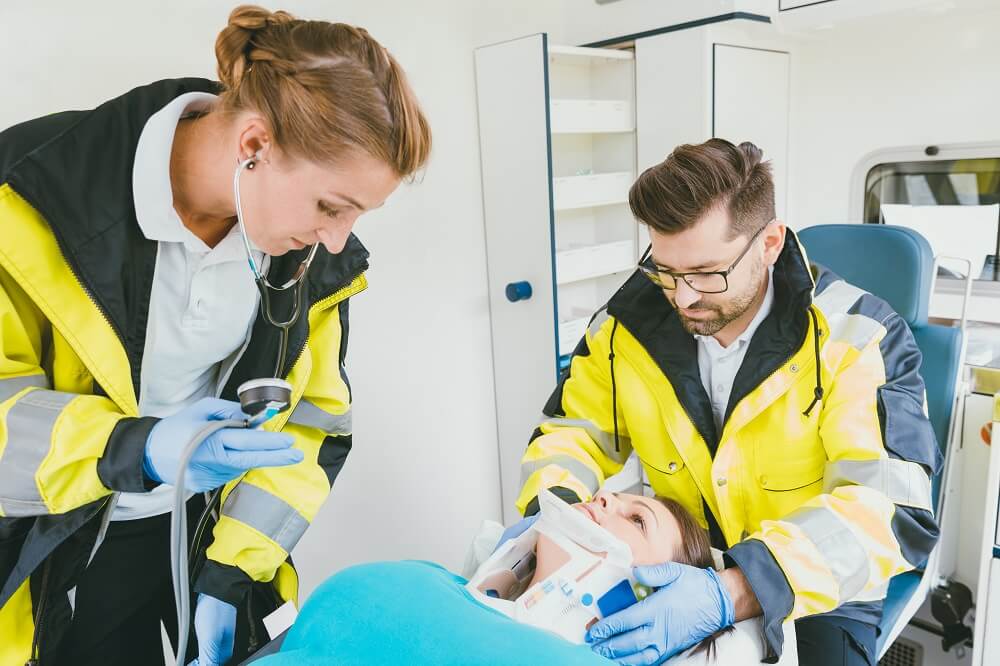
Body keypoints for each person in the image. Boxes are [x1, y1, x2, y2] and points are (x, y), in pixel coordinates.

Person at [0, 5, 430, 666]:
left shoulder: (310, 262)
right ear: (253, 144)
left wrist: (231, 575)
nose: (339, 239)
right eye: (330, 206)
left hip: (182, 546)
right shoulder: (25, 194)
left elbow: (309, 424)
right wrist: (133, 449)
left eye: (357, 215)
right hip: (34, 559)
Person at [512, 139, 941, 665]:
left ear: (770, 243)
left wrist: (736, 589)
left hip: (819, 584)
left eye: (707, 274)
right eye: (666, 271)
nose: (683, 297)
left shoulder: (858, 337)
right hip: (687, 564)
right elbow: (571, 431)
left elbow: (891, 509)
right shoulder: (626, 327)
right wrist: (549, 515)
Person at [251, 490, 789, 666]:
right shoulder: (433, 581)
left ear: (649, 593)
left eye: (635, 518)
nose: (604, 497)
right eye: (612, 494)